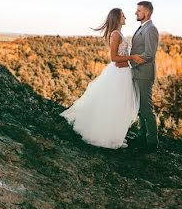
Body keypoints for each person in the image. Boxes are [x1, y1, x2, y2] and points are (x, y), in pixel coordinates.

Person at [60, 8, 146, 149]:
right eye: (123, 16)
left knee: (118, 105)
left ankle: (113, 135)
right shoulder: (115, 34)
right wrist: (132, 57)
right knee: (114, 104)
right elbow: (113, 58)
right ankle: (105, 136)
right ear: (117, 18)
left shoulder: (119, 33)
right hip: (118, 73)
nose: (126, 18)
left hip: (124, 71)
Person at [126, 1, 160, 153]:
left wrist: (131, 60)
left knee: (147, 108)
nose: (135, 13)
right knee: (140, 106)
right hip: (138, 72)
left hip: (144, 73)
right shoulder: (142, 28)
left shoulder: (151, 29)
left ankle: (152, 142)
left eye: (138, 10)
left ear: (146, 13)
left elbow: (149, 54)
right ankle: (142, 136)